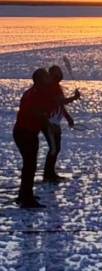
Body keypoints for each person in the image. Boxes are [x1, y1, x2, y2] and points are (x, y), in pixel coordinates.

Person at [14, 68, 53, 208]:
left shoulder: (36, 93)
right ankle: (26, 198)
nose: (50, 79)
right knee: (30, 165)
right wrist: (46, 120)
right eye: (47, 77)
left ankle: (24, 194)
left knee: (29, 165)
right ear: (41, 80)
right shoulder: (34, 95)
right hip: (25, 133)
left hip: (26, 132)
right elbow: (37, 114)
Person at [42, 65, 80, 182]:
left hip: (55, 123)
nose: (60, 74)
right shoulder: (51, 87)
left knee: (56, 149)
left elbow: (60, 105)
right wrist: (74, 97)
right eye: (58, 72)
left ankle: (50, 173)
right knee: (53, 149)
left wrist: (68, 118)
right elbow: (60, 101)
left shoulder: (56, 87)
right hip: (48, 123)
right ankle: (48, 175)